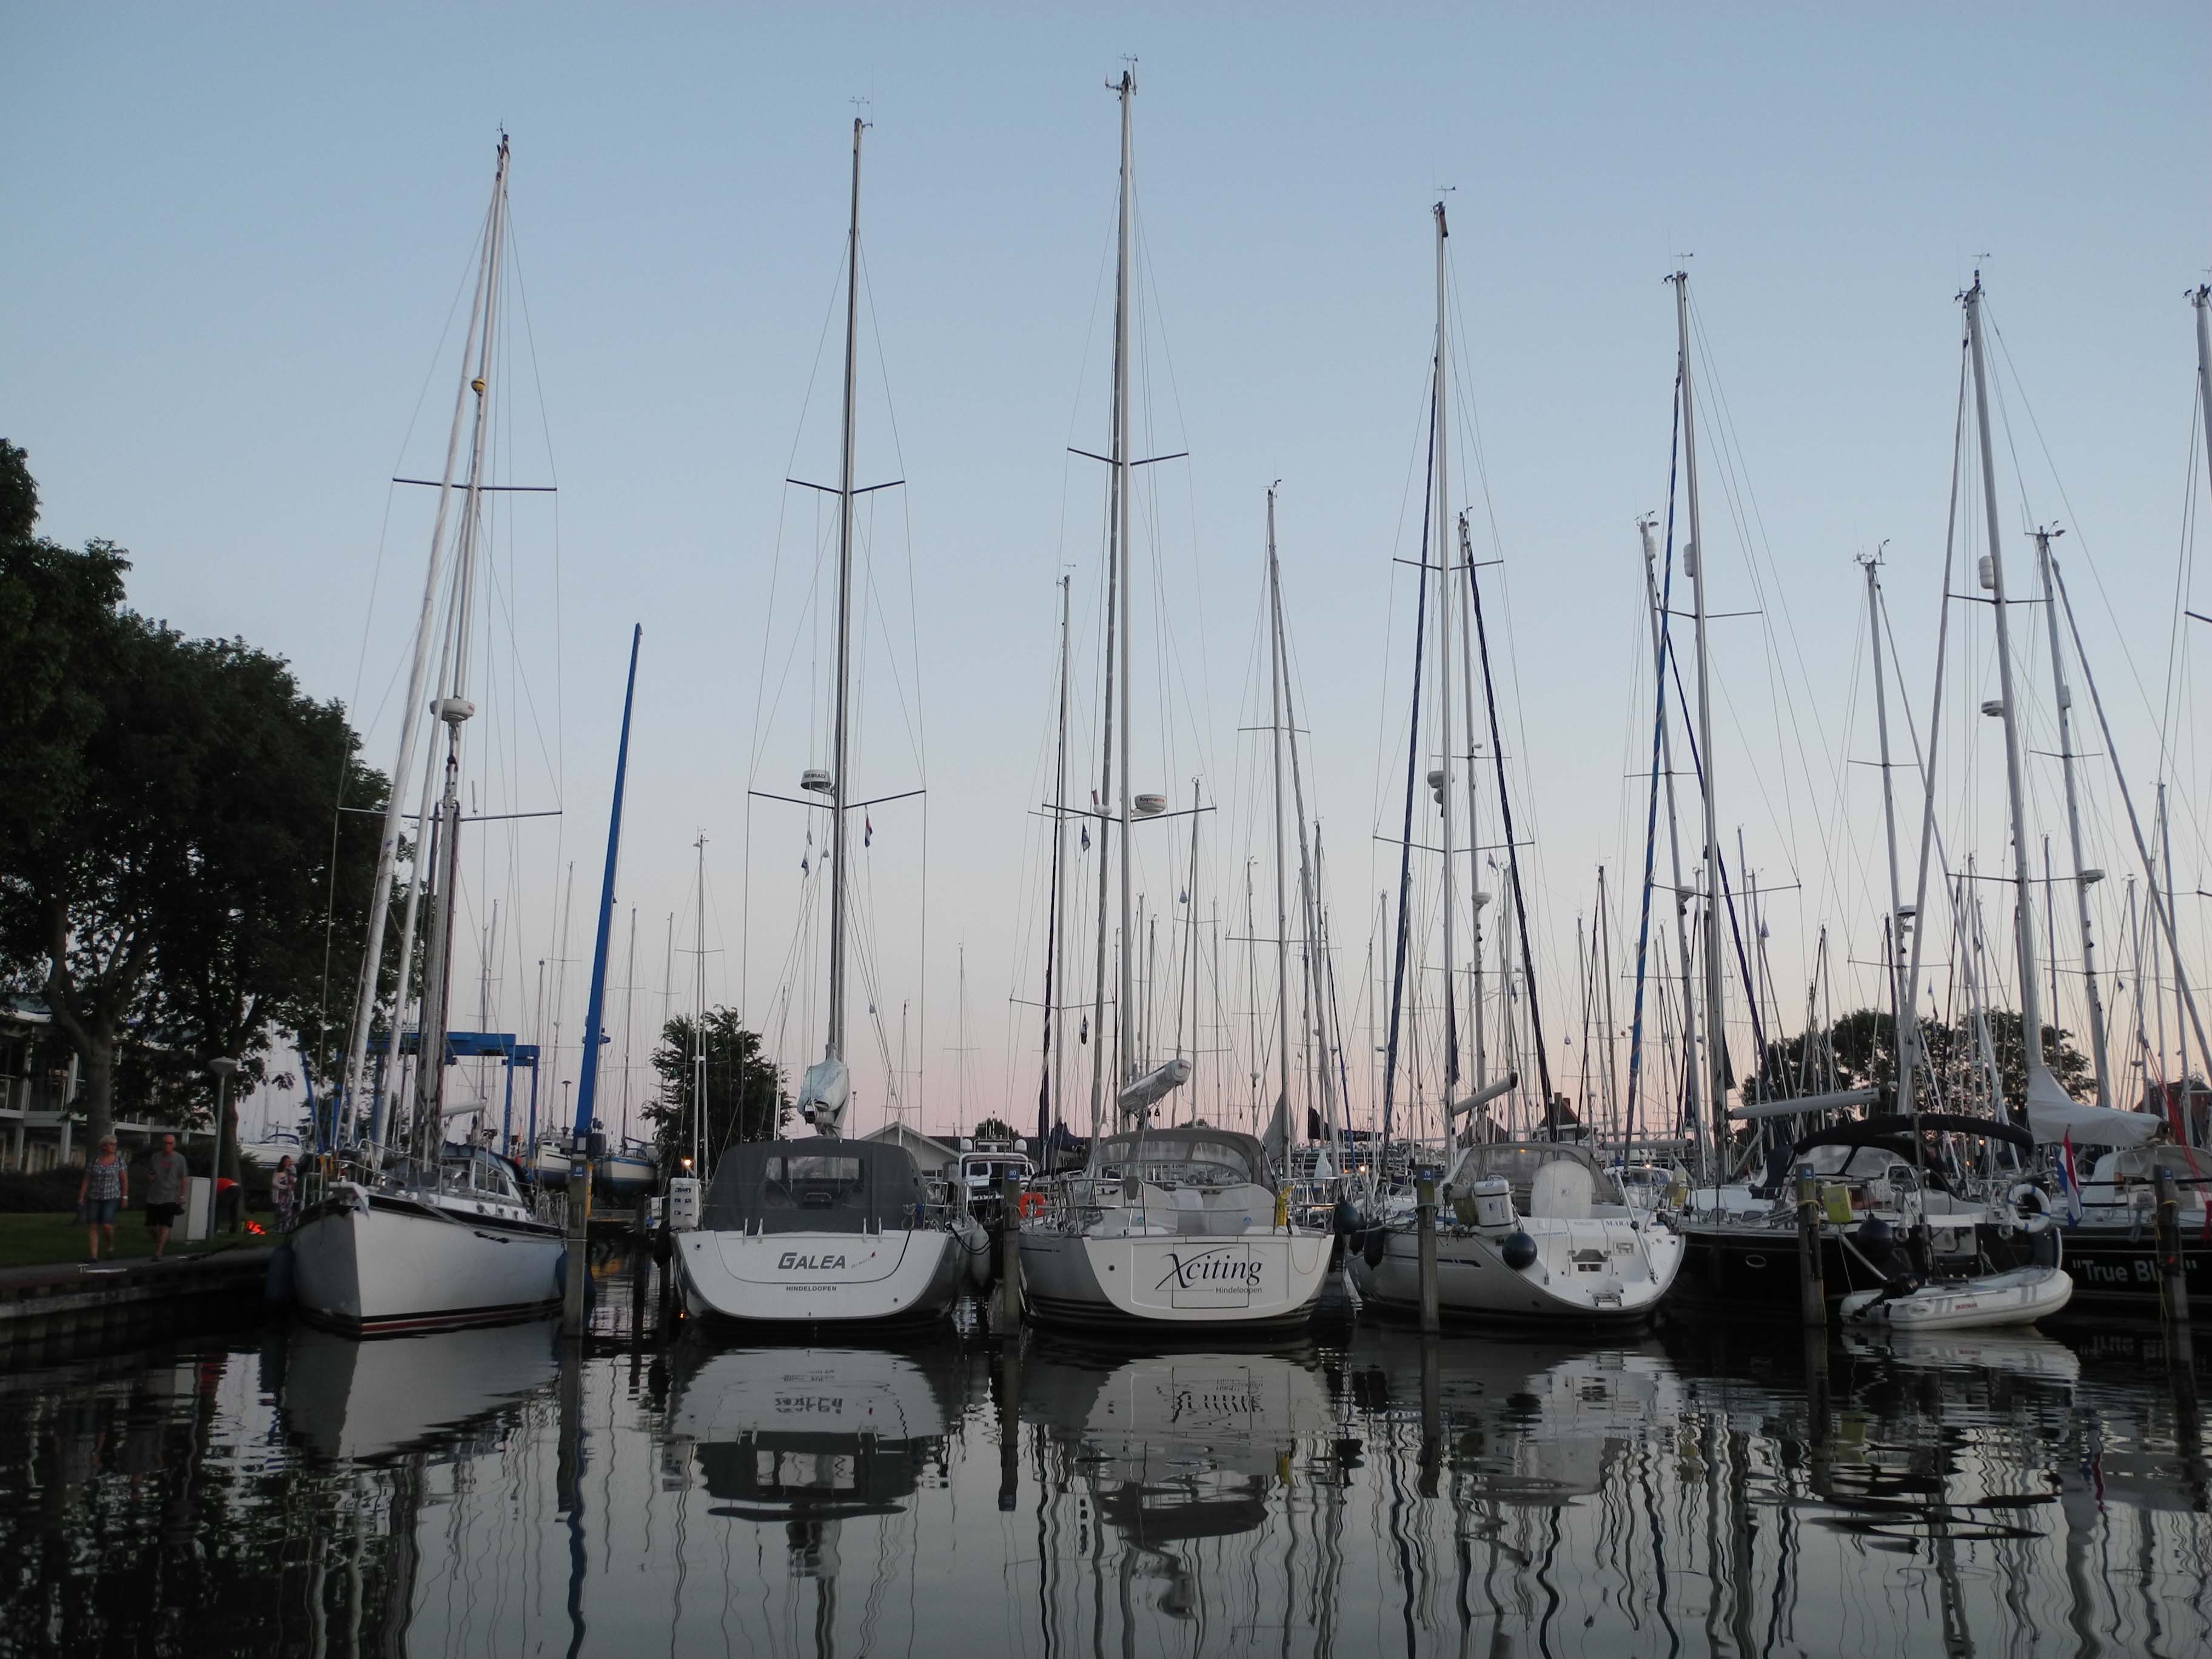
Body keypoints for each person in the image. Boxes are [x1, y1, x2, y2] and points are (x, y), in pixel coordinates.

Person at [77, 1138, 127, 1263]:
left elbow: (124, 1180)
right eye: (111, 1144)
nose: (114, 1147)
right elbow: (87, 1179)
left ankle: (110, 1246)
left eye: (115, 1144)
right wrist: (81, 1197)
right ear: (104, 1146)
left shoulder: (119, 1161)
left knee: (106, 1224)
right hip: (95, 1196)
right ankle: (94, 1255)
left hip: (111, 1196)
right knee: (93, 1225)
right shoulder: (95, 1161)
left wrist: (124, 1197)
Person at [144, 1133, 189, 1261]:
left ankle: (158, 1253)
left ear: (174, 1145)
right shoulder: (156, 1157)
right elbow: (150, 1173)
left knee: (165, 1225)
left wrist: (181, 1196)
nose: (166, 1146)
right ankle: (161, 1241)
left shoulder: (180, 1159)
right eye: (164, 1143)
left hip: (170, 1196)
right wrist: (149, 1177)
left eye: (169, 1143)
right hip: (154, 1196)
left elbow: (183, 1179)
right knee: (150, 1227)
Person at [271, 1155, 298, 1232]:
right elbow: (274, 1183)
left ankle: (286, 1229)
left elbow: (295, 1178)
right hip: (280, 1195)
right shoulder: (278, 1171)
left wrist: (292, 1165)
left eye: (289, 1162)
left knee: (288, 1212)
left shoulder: (290, 1171)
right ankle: (278, 1229)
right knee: (281, 1212)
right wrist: (285, 1187)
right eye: (286, 1161)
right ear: (283, 1162)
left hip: (289, 1195)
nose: (288, 1163)